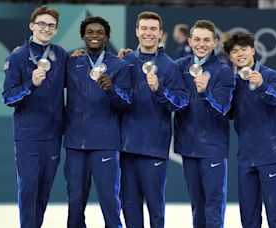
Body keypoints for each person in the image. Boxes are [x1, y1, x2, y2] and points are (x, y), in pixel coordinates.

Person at [120, 11, 189, 228]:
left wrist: (160, 90)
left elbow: (181, 103)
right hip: (126, 148)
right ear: (137, 31)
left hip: (154, 148)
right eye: (144, 28)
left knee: (155, 210)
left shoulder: (170, 66)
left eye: (153, 29)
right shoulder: (125, 61)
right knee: (129, 209)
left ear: (161, 33)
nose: (148, 33)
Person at [2, 5, 67, 228]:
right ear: (32, 26)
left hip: (53, 135)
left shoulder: (60, 55)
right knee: (29, 189)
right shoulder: (18, 56)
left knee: (43, 192)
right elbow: (8, 97)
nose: (46, 29)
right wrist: (31, 84)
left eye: (51, 26)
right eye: (41, 24)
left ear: (56, 30)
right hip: (28, 136)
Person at [64, 16, 131, 228]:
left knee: (110, 201)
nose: (94, 35)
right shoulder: (72, 62)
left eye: (99, 32)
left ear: (107, 37)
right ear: (83, 35)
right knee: (75, 202)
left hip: (105, 143)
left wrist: (112, 89)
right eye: (90, 32)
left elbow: (126, 102)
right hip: (75, 143)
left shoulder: (119, 66)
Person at [224, 32, 276, 228]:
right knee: (249, 217)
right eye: (234, 51)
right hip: (245, 158)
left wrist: (262, 85)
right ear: (230, 57)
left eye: (244, 49)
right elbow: (228, 113)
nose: (240, 54)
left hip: (271, 156)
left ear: (253, 50)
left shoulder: (271, 76)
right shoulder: (233, 82)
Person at [174, 20, 235, 228]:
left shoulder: (224, 70)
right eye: (197, 39)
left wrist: (205, 92)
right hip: (188, 145)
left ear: (215, 42)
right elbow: (158, 68)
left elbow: (223, 109)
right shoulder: (180, 66)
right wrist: (129, 56)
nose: (201, 44)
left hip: (213, 147)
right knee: (197, 204)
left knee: (214, 203)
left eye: (206, 40)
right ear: (189, 41)